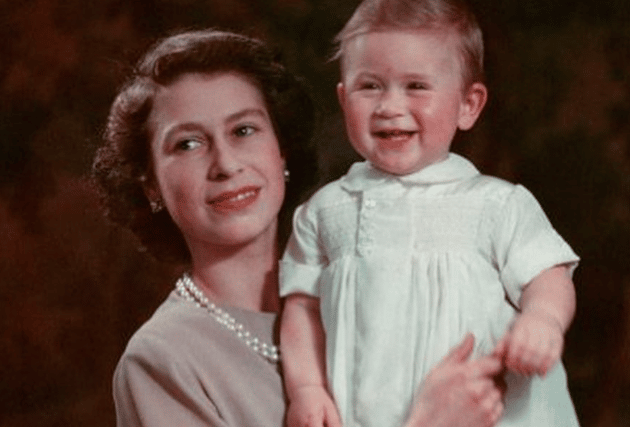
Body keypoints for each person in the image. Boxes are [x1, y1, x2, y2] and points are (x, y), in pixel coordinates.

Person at [92, 28, 506, 427]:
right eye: (188, 144)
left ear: (281, 150)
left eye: (244, 130)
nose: (226, 164)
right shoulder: (161, 360)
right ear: (150, 184)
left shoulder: (362, 286)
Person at [279, 0, 580, 426]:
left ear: (467, 105)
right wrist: (305, 387)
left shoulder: (495, 204)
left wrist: (542, 319)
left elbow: (548, 274)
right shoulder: (325, 212)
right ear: (344, 99)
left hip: (481, 409)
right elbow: (302, 309)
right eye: (370, 86)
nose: (389, 105)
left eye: (416, 86)